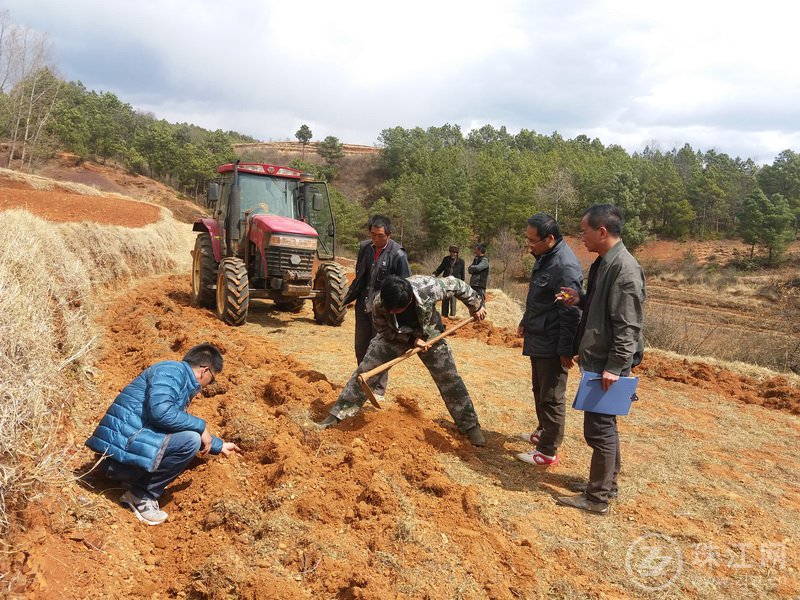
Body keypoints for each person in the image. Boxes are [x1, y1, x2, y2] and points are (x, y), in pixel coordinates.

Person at [316, 275, 488, 446]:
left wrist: (476, 306)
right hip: (395, 336)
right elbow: (382, 328)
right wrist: (410, 340)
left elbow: (457, 284)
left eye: (396, 310)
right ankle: (339, 414)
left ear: (409, 300)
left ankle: (470, 425)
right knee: (365, 371)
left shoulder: (428, 287)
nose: (391, 312)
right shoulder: (379, 303)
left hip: (430, 335)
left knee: (449, 377)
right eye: (389, 310)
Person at [85, 343, 240, 525]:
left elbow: (175, 422)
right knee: (190, 440)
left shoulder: (177, 376)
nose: (208, 385)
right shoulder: (171, 372)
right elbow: (162, 414)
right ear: (205, 371)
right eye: (212, 380)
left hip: (122, 451)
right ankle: (140, 495)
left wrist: (218, 445)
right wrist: (200, 427)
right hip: (116, 456)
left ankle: (131, 480)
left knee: (190, 435)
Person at [556, 205, 646, 515]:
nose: (582, 238)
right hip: (600, 358)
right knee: (605, 426)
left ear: (602, 232)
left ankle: (597, 498)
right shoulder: (605, 264)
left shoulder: (624, 269)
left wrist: (614, 367)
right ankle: (608, 485)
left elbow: (628, 325)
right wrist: (579, 299)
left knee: (599, 430)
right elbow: (602, 308)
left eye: (584, 232)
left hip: (608, 363)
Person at [515, 213, 583, 467]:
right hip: (539, 335)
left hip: (554, 341)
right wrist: (525, 321)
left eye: (533, 241)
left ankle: (547, 450)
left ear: (550, 239)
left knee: (552, 395)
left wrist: (565, 349)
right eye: (528, 240)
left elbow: (571, 311)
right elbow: (540, 298)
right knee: (540, 390)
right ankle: (543, 431)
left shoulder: (564, 266)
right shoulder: (544, 258)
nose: (529, 246)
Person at [342, 215, 411, 403]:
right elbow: (360, 276)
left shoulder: (398, 255)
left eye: (380, 236)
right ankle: (363, 381)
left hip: (383, 311)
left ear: (389, 234)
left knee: (380, 348)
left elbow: (405, 286)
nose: (376, 239)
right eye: (373, 234)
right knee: (361, 347)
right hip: (363, 305)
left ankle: (378, 388)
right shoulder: (365, 248)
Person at [432, 245, 465, 317]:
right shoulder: (446, 259)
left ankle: (452, 315)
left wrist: (462, 283)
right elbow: (440, 268)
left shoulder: (461, 261)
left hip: (455, 283)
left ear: (457, 253)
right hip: (446, 282)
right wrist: (435, 274)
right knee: (445, 299)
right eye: (451, 252)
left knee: (453, 300)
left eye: (454, 252)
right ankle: (444, 316)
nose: (453, 254)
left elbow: (462, 274)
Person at [468, 243, 489, 308]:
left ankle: (482, 317)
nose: (475, 250)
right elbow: (469, 269)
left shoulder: (484, 260)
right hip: (473, 284)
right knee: (473, 302)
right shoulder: (476, 259)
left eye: (476, 249)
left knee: (481, 302)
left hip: (480, 284)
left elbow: (478, 268)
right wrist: (473, 268)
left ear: (479, 250)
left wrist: (473, 268)